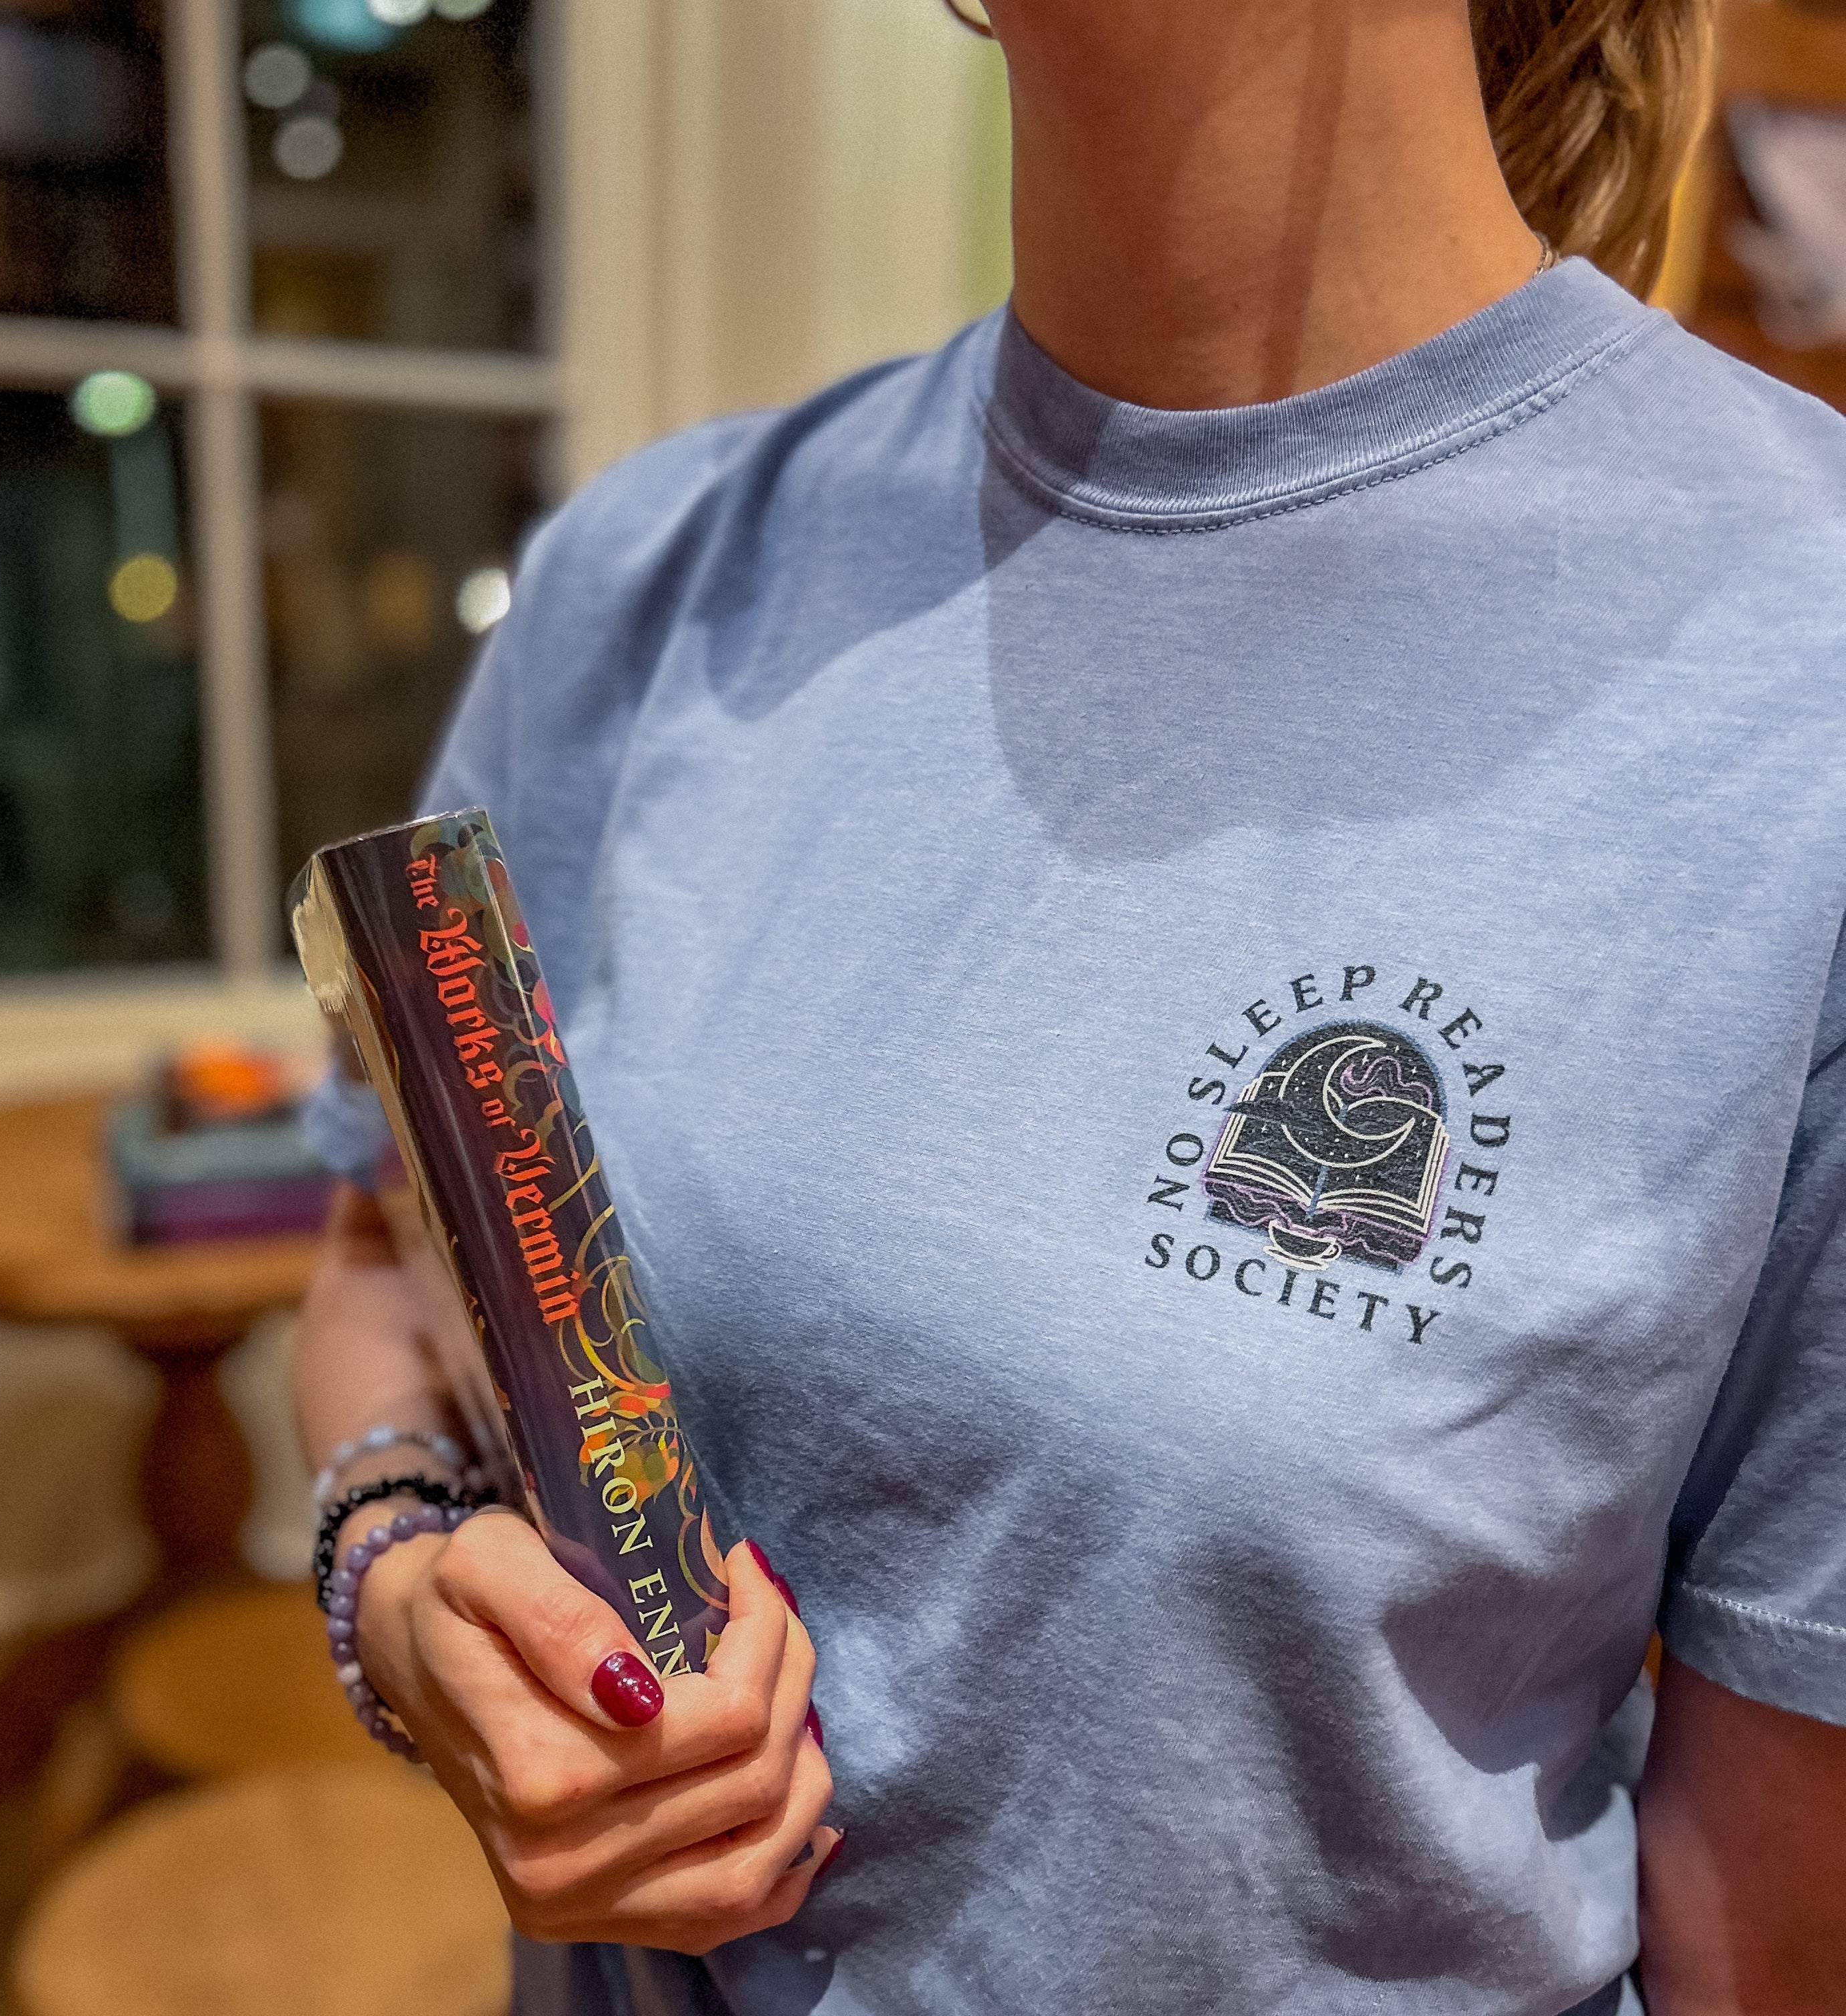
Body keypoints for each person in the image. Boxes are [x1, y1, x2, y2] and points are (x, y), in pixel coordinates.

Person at [294, 0, 1846, 2010]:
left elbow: (1770, 1940)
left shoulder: (1797, 671)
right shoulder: (650, 577)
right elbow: (383, 1254)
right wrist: (397, 1572)